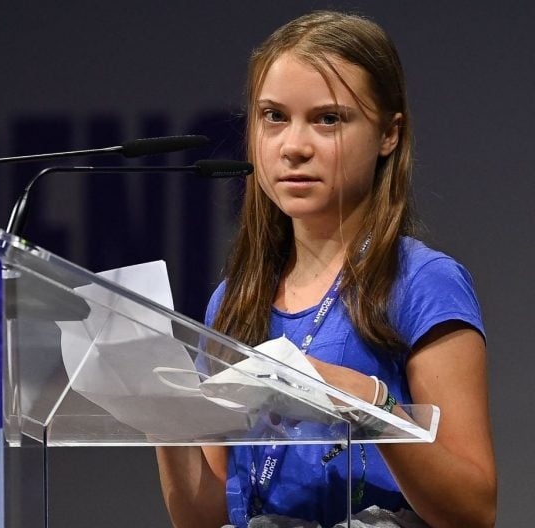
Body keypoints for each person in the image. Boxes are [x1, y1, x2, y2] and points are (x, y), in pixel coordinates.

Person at [156, 10, 497, 528]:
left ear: (389, 134)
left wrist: (368, 401)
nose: (293, 146)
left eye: (328, 119)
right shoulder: (232, 300)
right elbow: (205, 515)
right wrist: (162, 414)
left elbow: (474, 510)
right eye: (274, 116)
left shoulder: (423, 283)